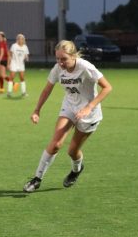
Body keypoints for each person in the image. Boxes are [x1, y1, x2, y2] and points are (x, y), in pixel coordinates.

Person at [23, 40, 112, 193]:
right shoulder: (57, 69)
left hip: (90, 113)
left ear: (73, 56)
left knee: (72, 151)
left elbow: (108, 87)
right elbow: (47, 90)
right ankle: (37, 179)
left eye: (63, 59)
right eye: (57, 58)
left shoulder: (85, 67)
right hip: (69, 107)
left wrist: (88, 107)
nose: (60, 63)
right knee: (56, 143)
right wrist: (37, 110)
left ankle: (76, 170)